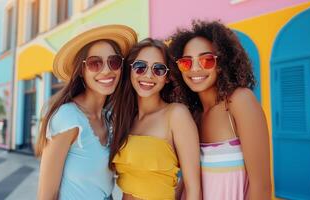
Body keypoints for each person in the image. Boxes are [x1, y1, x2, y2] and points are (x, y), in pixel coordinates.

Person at [169, 20, 272, 200]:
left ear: (222, 62)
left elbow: (261, 188)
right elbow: (187, 181)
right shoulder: (192, 115)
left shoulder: (239, 101)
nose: (195, 68)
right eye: (186, 62)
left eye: (206, 60)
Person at [36, 24, 137, 200]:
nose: (107, 70)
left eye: (113, 61)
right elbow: (46, 196)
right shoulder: (68, 117)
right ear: (81, 70)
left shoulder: (109, 119)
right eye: (94, 63)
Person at [110, 38, 201, 200]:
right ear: (130, 70)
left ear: (167, 77)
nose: (148, 75)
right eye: (140, 67)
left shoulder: (176, 115)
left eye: (159, 69)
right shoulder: (125, 119)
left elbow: (193, 189)